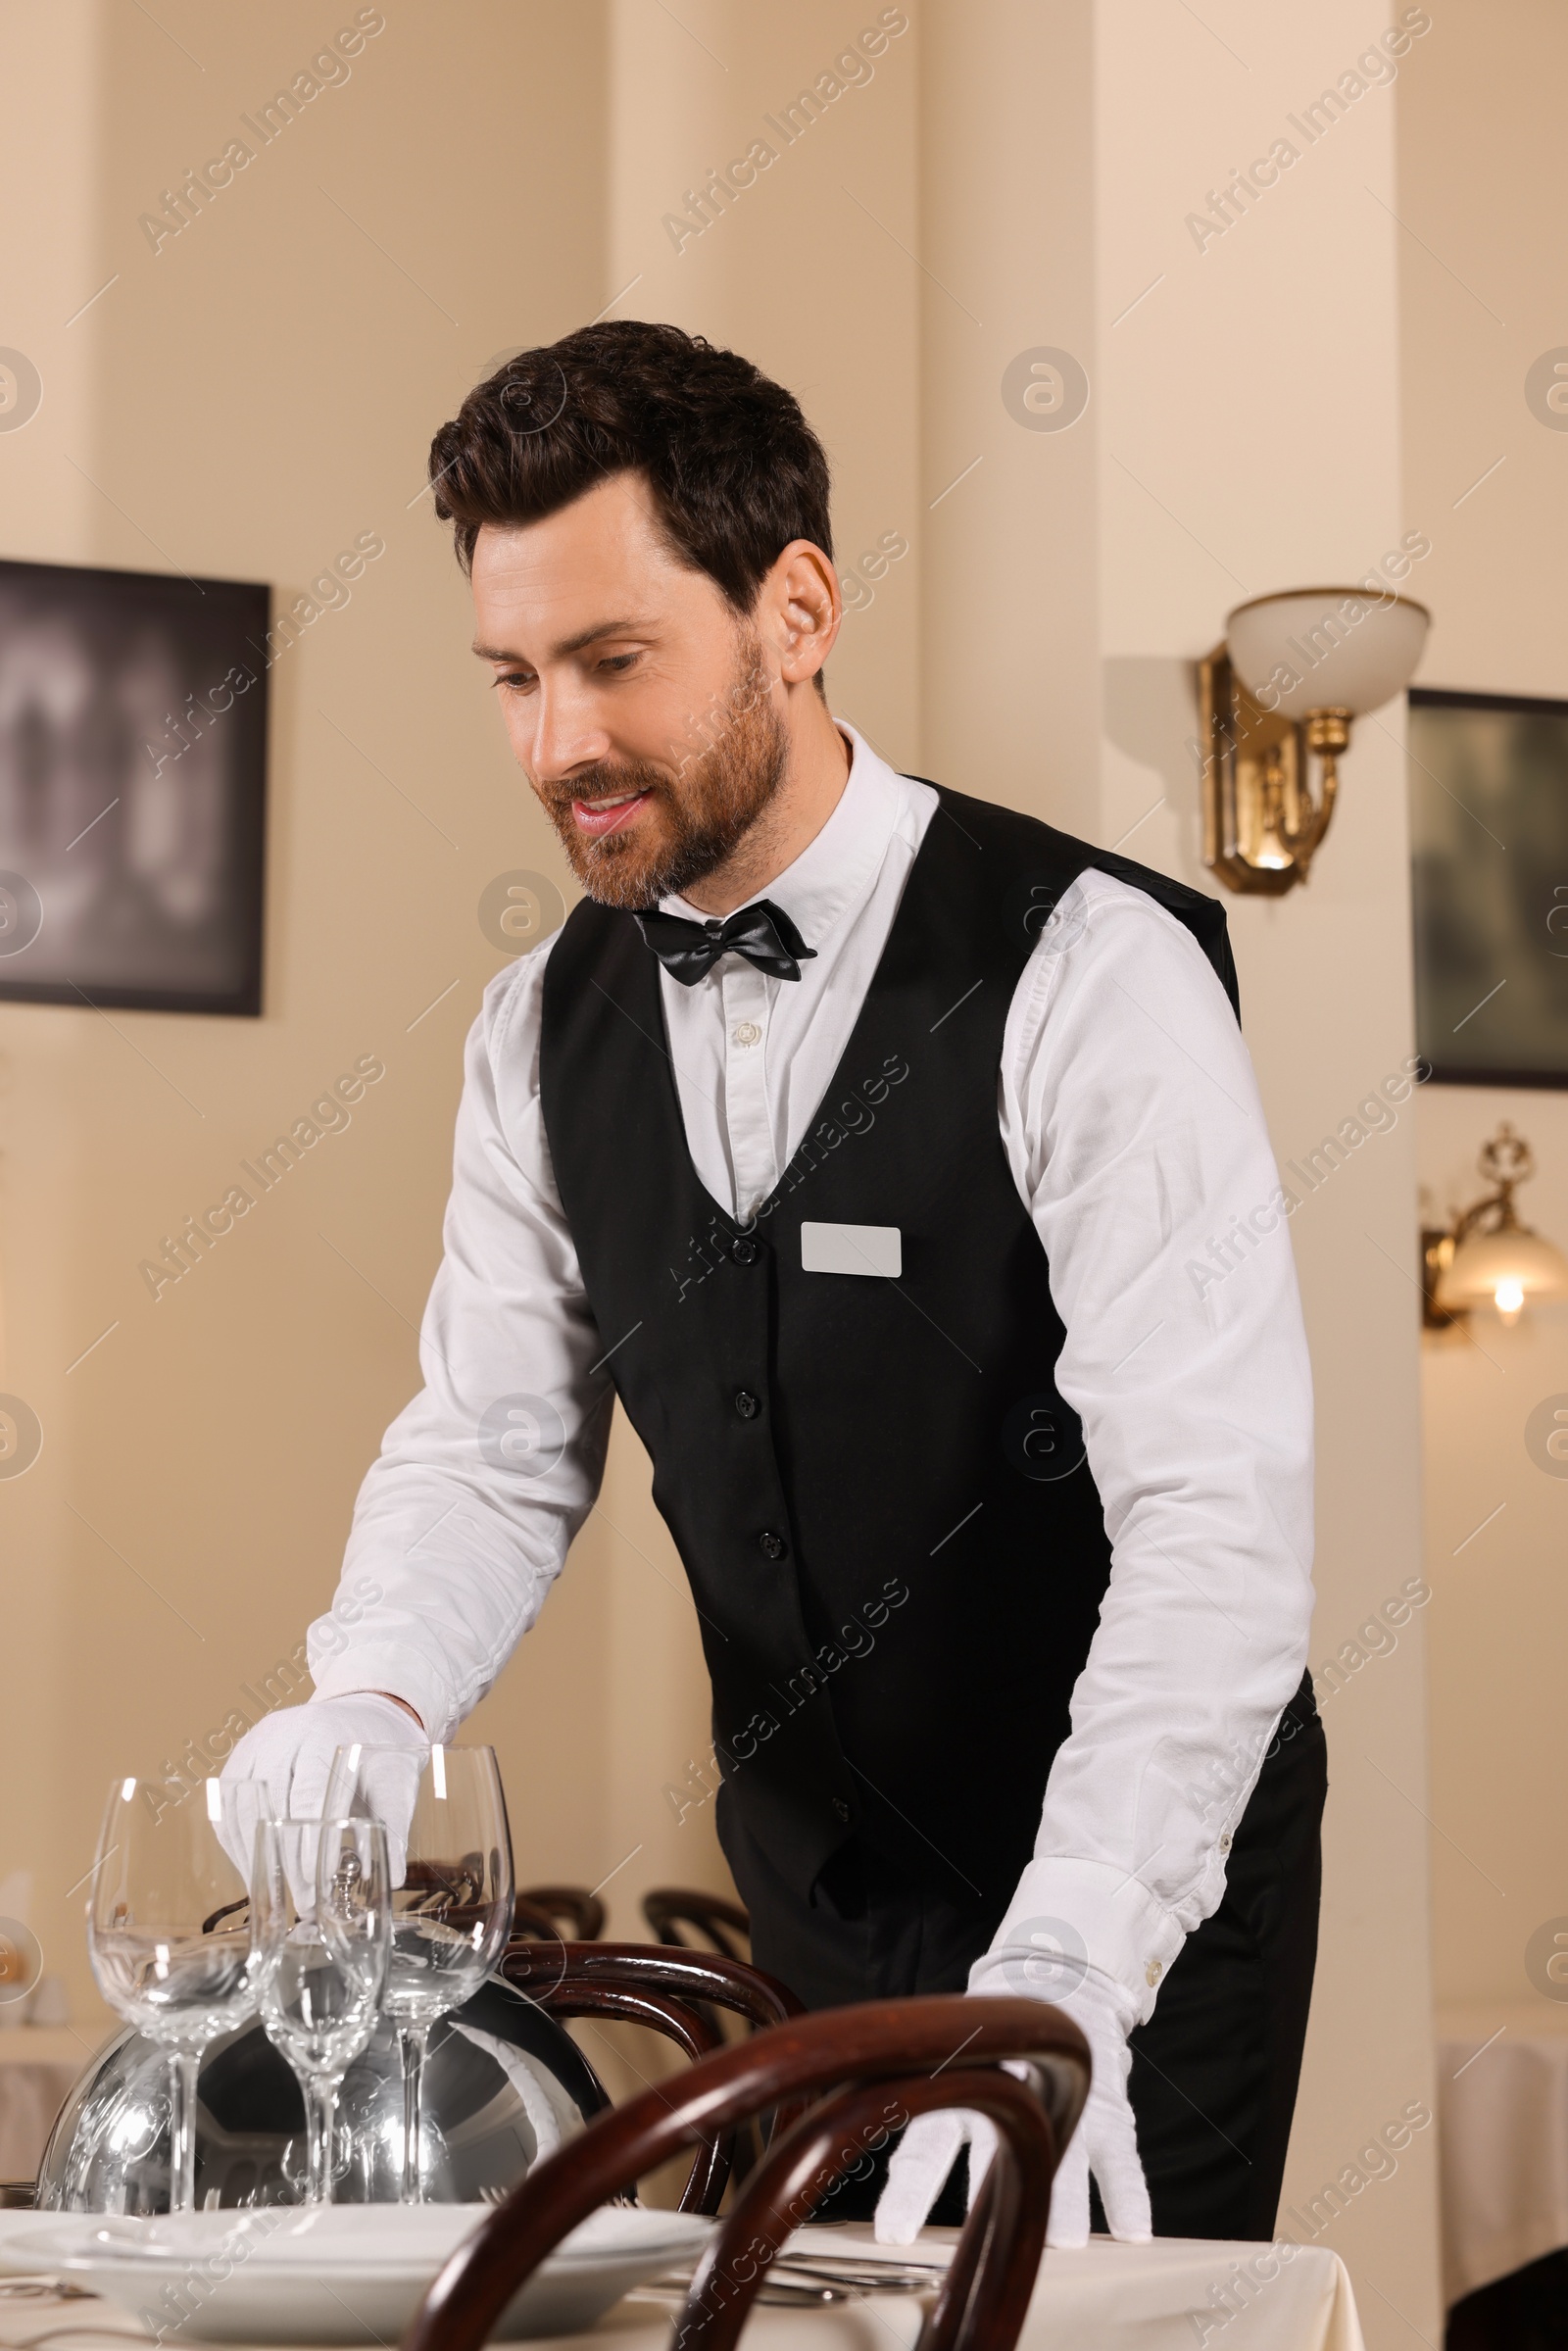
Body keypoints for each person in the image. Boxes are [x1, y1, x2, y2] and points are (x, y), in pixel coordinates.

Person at [222, 319, 1323, 2248]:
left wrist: (1070, 1956)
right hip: (813, 1896)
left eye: (611, 660)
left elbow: (1212, 1520)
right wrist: (369, 1688)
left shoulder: (1083, 971)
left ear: (792, 609)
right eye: (511, 675)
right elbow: (491, 1446)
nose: (554, 742)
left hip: (1131, 1900)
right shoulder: (532, 1029)